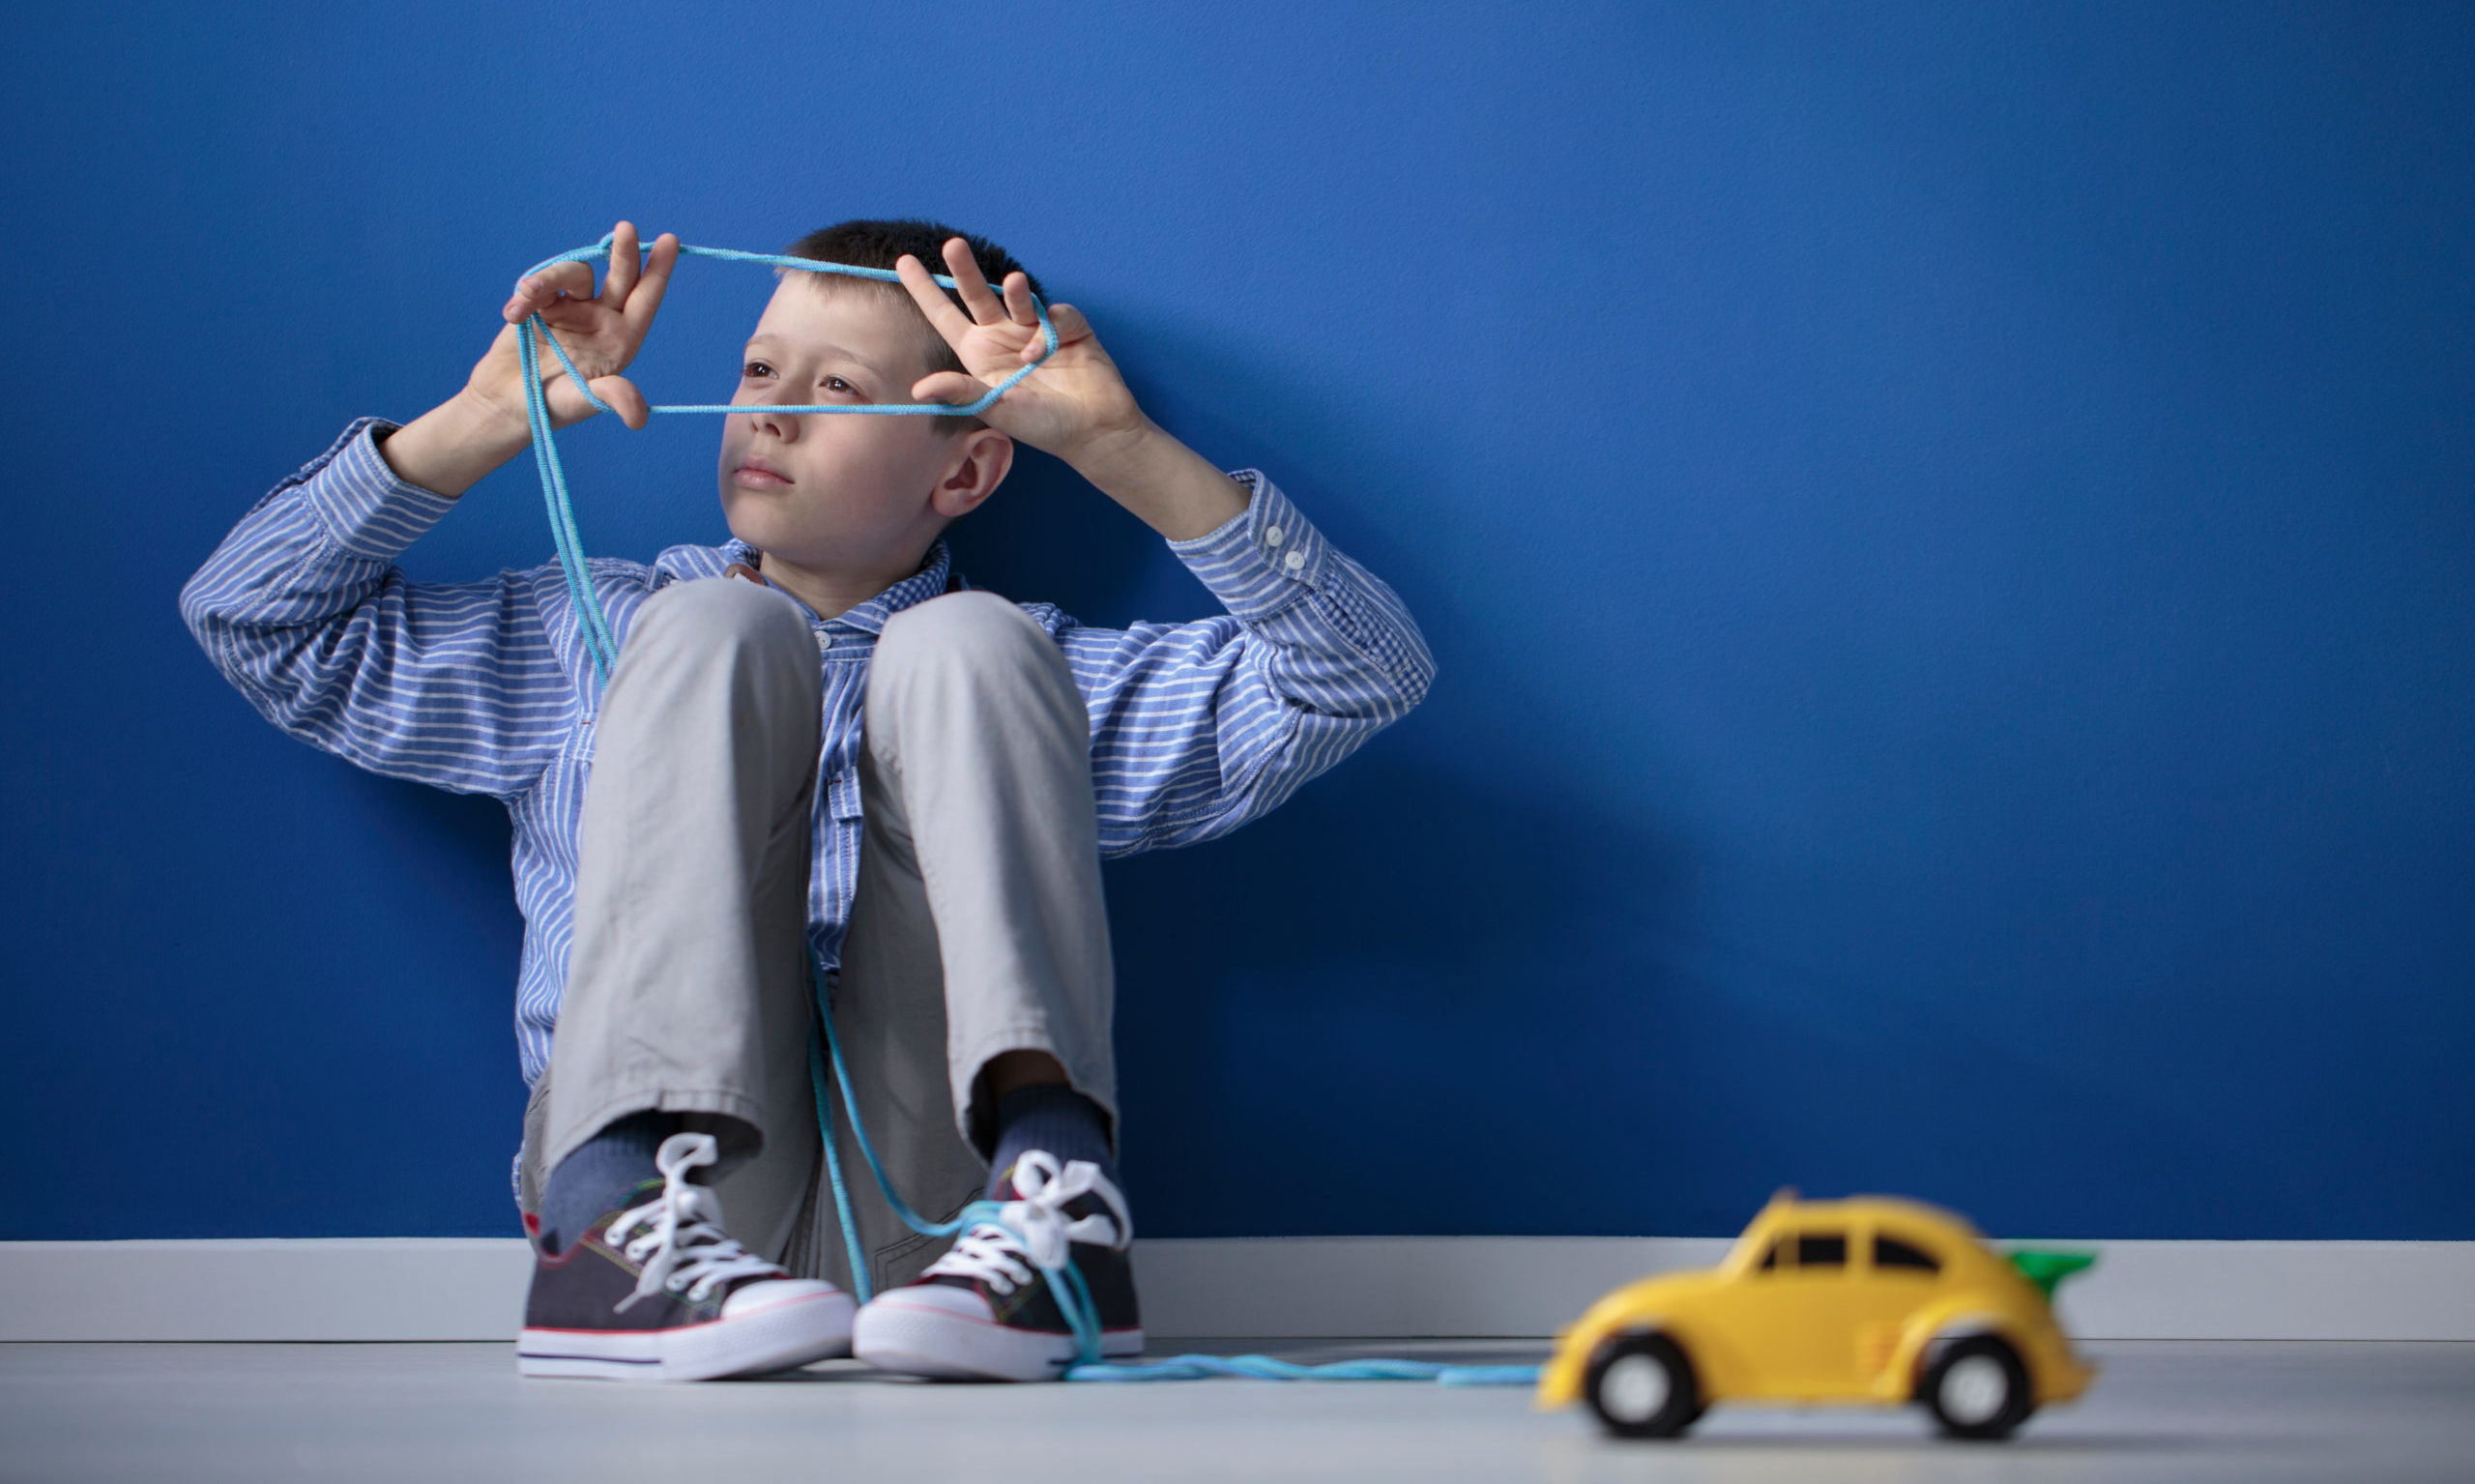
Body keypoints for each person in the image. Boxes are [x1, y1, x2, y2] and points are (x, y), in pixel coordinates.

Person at [181, 218, 1433, 1382]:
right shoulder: (593, 633)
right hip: (680, 1223)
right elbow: (252, 616)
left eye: (834, 390)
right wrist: (480, 421)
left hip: (955, 1223)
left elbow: (1360, 673)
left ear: (967, 473)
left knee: (968, 648)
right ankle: (606, 1223)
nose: (768, 416)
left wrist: (1120, 451)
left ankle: (1058, 1207)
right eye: (761, 371)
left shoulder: (1036, 678)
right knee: (717, 627)